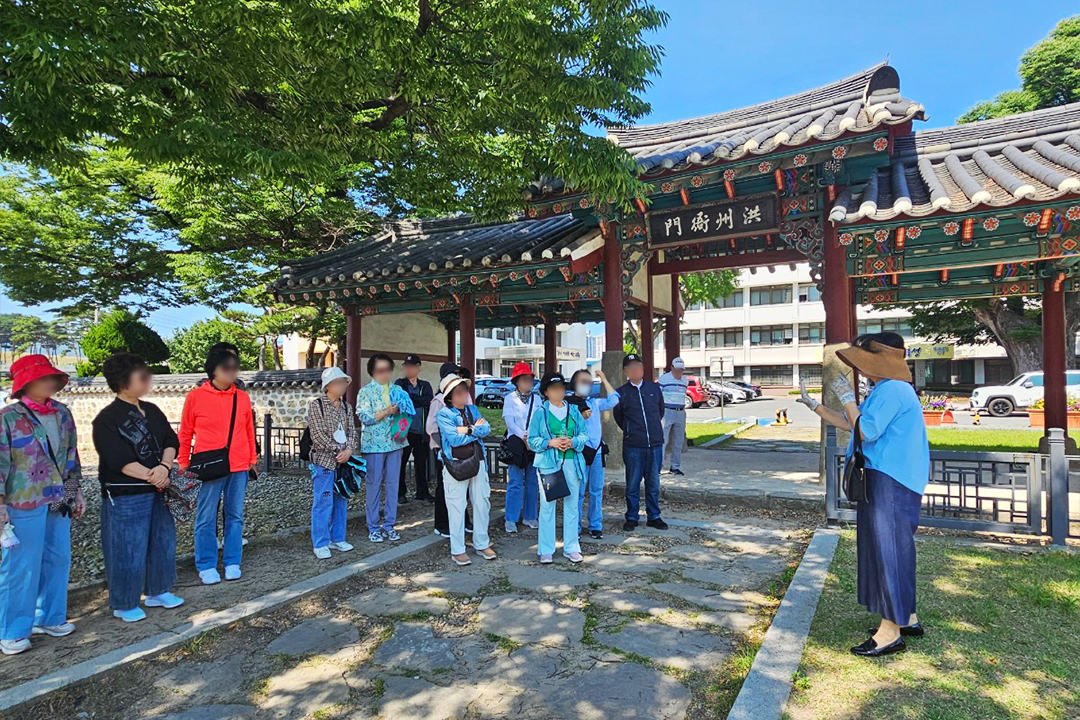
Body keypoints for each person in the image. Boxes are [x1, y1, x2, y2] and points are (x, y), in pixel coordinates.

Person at [797, 332, 929, 658]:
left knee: (889, 552)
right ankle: (906, 617)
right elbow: (851, 424)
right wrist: (816, 406)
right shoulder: (889, 389)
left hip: (890, 479)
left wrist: (847, 398)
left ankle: (890, 633)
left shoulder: (893, 390)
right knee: (895, 550)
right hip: (890, 478)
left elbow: (866, 430)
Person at [0, 355, 84, 655]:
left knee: (58, 558)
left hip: (59, 496)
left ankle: (49, 617)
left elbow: (72, 457)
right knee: (21, 565)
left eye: (51, 377)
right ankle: (12, 630)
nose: (50, 382)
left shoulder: (62, 413)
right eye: (42, 377)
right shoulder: (8, 417)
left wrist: (77, 493)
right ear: (25, 383)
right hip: (23, 499)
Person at [93, 353, 183, 622]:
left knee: (163, 540)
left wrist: (164, 468)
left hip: (159, 487)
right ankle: (124, 602)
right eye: (141, 375)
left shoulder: (152, 410)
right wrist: (154, 476)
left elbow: (171, 440)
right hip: (127, 492)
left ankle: (158, 589)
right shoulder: (107, 418)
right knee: (126, 546)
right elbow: (117, 459)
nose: (147, 380)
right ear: (123, 381)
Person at [179, 348, 258, 585]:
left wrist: (252, 460)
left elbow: (249, 430)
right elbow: (185, 433)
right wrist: (184, 464)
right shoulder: (195, 397)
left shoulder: (241, 397)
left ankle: (233, 561)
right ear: (213, 370)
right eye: (227, 367)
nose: (232, 372)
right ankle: (206, 564)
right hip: (209, 466)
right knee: (206, 516)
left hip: (239, 465)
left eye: (235, 367)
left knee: (235, 515)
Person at [435, 374, 496, 566]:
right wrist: (474, 430)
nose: (463, 395)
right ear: (449, 397)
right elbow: (454, 440)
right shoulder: (444, 414)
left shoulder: (472, 409)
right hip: (455, 463)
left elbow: (486, 429)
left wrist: (466, 430)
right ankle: (458, 549)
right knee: (456, 504)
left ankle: (482, 543)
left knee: (482, 502)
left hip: (478, 460)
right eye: (458, 392)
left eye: (464, 391)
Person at [527, 372, 589, 563]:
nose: (558, 392)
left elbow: (584, 434)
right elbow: (532, 440)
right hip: (549, 464)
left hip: (572, 462)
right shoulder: (540, 413)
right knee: (548, 506)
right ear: (546, 392)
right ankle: (546, 548)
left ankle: (571, 547)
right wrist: (550, 442)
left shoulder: (573, 411)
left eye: (561, 388)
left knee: (572, 505)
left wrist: (573, 441)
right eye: (554, 389)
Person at [356, 354, 415, 544]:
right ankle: (373, 526)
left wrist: (401, 410)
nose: (385, 374)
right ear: (372, 372)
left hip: (395, 442)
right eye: (380, 370)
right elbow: (364, 417)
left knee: (393, 483)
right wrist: (387, 411)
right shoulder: (365, 392)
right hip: (374, 444)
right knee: (373, 484)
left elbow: (409, 410)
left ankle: (389, 524)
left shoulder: (397, 390)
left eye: (388, 370)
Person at [306, 367, 359, 559]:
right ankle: (320, 542)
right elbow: (317, 434)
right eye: (338, 382)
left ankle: (338, 537)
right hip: (324, 461)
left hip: (343, 461)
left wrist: (349, 450)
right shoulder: (317, 405)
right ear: (328, 385)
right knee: (323, 500)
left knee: (341, 499)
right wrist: (338, 450)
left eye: (344, 382)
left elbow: (352, 431)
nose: (342, 386)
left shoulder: (346, 407)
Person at [612, 353, 668, 532]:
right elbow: (619, 417)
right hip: (633, 446)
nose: (636, 370)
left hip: (655, 444)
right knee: (633, 483)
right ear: (625, 371)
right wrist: (631, 431)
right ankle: (632, 516)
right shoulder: (621, 393)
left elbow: (660, 411)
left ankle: (654, 516)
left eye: (639, 366)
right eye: (632, 367)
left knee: (653, 483)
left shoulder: (654, 388)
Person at [567, 369, 619, 539]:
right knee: (578, 492)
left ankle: (595, 525)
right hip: (579, 451)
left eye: (589, 382)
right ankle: (574, 527)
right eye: (583, 382)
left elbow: (614, 400)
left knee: (596, 490)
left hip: (597, 451)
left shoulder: (594, 403)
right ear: (574, 384)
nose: (586, 385)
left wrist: (603, 378)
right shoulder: (568, 403)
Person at [426, 362, 472, 538]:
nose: (458, 377)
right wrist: (443, 447)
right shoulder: (439, 400)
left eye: (460, 374)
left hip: (465, 449)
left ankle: (464, 520)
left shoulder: (466, 397)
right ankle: (441, 523)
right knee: (444, 487)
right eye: (454, 374)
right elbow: (431, 427)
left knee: (464, 485)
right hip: (445, 451)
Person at [501, 362, 539, 533]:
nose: (528, 383)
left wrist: (531, 436)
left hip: (533, 443)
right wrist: (524, 436)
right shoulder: (510, 399)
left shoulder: (537, 399)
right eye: (524, 380)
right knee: (515, 482)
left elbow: (539, 419)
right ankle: (511, 518)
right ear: (516, 381)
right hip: (516, 443)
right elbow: (509, 422)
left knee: (532, 481)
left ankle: (530, 516)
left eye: (530, 380)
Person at [395, 354, 434, 505]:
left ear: (418, 368)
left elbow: (428, 401)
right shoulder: (400, 383)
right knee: (401, 462)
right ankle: (400, 493)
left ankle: (422, 492)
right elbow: (401, 400)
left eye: (411, 366)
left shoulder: (425, 385)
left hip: (421, 430)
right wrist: (417, 400)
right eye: (406, 366)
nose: (408, 369)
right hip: (404, 431)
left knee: (421, 463)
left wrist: (411, 398)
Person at [657, 357, 689, 476]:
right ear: (671, 368)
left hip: (680, 411)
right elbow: (658, 395)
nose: (679, 372)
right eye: (677, 369)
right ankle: (658, 466)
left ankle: (675, 466)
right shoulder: (664, 379)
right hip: (667, 411)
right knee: (663, 440)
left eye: (681, 370)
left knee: (679, 441)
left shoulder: (685, 380)